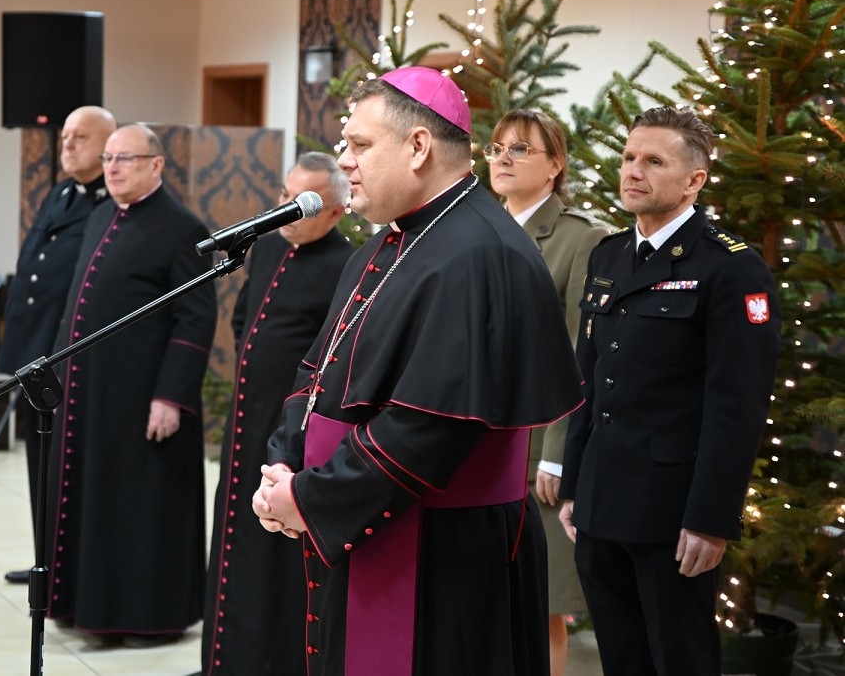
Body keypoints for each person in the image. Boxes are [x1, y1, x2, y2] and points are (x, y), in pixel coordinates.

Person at [251, 66, 583, 676]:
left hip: (442, 552)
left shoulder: (482, 254)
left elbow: (428, 428)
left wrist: (310, 496)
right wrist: (284, 463)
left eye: (360, 144)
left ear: (419, 146)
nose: (344, 160)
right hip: (367, 517)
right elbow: (316, 367)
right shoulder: (386, 245)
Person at [558, 106, 781, 676]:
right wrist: (575, 485)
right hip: (600, 502)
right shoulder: (609, 254)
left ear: (694, 180)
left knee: (680, 659)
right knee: (621, 658)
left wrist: (711, 518)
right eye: (629, 157)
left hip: (672, 513)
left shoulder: (730, 268)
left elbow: (737, 406)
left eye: (654, 161)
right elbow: (588, 378)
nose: (633, 171)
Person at [43, 123, 218, 645]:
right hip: (91, 394)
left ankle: (146, 618)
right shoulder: (101, 216)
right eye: (108, 159)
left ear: (156, 165)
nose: (112, 168)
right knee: (93, 500)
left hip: (142, 397)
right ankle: (86, 607)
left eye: (126, 158)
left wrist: (170, 396)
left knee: (137, 508)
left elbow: (195, 320)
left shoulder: (182, 228)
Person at [197, 153, 355, 676]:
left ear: (335, 212)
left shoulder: (346, 264)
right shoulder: (266, 247)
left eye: (303, 203)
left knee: (273, 559)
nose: (287, 210)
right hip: (246, 420)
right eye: (286, 196)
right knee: (233, 541)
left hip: (295, 436)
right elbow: (244, 320)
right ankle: (225, 660)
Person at [486, 109, 609, 676]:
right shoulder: (479, 227)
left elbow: (581, 356)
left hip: (538, 444)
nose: (503, 159)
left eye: (520, 149)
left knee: (541, 601)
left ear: (555, 165)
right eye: (496, 149)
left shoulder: (581, 237)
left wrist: (559, 452)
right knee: (481, 589)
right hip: (476, 435)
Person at [0, 105, 116, 585]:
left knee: (67, 467)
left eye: (80, 137)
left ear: (108, 146)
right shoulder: (61, 193)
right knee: (39, 462)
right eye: (65, 136)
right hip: (35, 351)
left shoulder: (110, 205)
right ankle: (44, 560)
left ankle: (67, 570)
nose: (67, 144)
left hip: (69, 356)